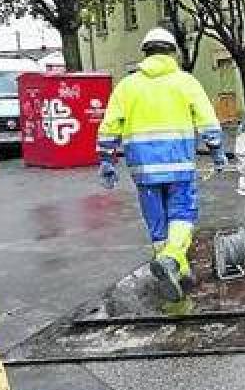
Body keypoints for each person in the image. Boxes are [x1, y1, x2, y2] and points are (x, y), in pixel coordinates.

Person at [97, 27, 227, 302]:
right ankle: (171, 259)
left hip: (142, 168)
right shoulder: (185, 82)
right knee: (182, 214)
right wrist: (216, 150)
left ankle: (176, 270)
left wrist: (107, 160)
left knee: (156, 221)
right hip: (177, 163)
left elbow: (109, 127)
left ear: (145, 53)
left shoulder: (127, 86)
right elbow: (206, 120)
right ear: (173, 53)